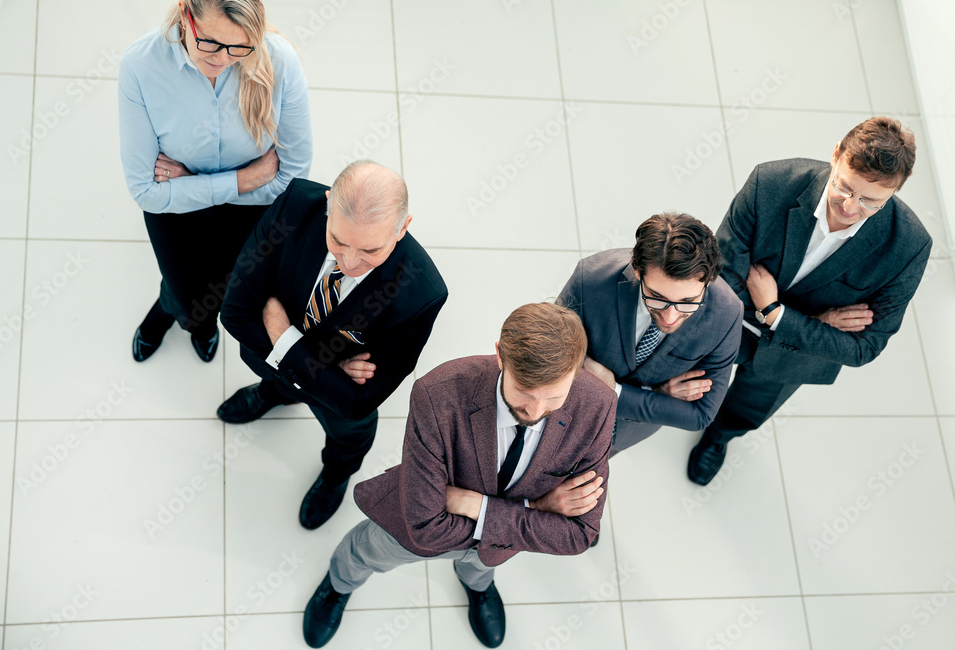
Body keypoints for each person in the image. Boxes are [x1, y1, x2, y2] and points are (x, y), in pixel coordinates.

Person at [302, 303, 615, 648]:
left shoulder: (598, 406)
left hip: (497, 545)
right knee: (367, 551)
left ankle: (478, 587)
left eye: (554, 397)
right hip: (412, 528)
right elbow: (424, 527)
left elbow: (579, 536)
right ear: (499, 356)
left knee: (481, 566)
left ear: (576, 372)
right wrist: (537, 509)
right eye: (524, 393)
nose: (536, 412)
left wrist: (479, 506)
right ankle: (339, 584)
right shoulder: (438, 394)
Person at [686, 116, 932, 485]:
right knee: (688, 375)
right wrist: (820, 322)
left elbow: (864, 348)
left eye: (870, 201)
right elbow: (721, 278)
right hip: (729, 325)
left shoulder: (909, 246)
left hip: (794, 355)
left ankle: (719, 437)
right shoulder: (770, 183)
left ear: (894, 192)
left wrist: (776, 313)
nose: (850, 207)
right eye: (845, 188)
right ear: (835, 155)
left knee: (749, 409)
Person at [219, 160, 448, 529]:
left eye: (371, 251)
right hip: (288, 367)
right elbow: (234, 313)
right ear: (327, 205)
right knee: (280, 381)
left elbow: (359, 401)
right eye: (338, 240)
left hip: (334, 403)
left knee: (347, 440)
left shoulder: (422, 293)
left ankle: (334, 478)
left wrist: (285, 339)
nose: (350, 261)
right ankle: (274, 394)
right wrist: (327, 367)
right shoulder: (294, 205)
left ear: (402, 228)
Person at [118, 0, 312, 363]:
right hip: (180, 209)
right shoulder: (141, 65)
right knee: (188, 296)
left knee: (218, 295)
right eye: (209, 43)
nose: (223, 59)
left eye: (239, 47)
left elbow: (291, 181)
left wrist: (191, 179)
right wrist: (244, 179)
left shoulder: (280, 60)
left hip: (241, 208)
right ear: (183, 14)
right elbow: (144, 190)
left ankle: (184, 316)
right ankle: (178, 314)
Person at [557, 213, 742, 459]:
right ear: (637, 270)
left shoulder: (727, 313)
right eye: (657, 297)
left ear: (708, 282)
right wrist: (658, 398)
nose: (670, 316)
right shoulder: (590, 279)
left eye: (688, 302)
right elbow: (555, 354)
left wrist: (618, 390)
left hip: (623, 432)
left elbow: (701, 415)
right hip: (564, 407)